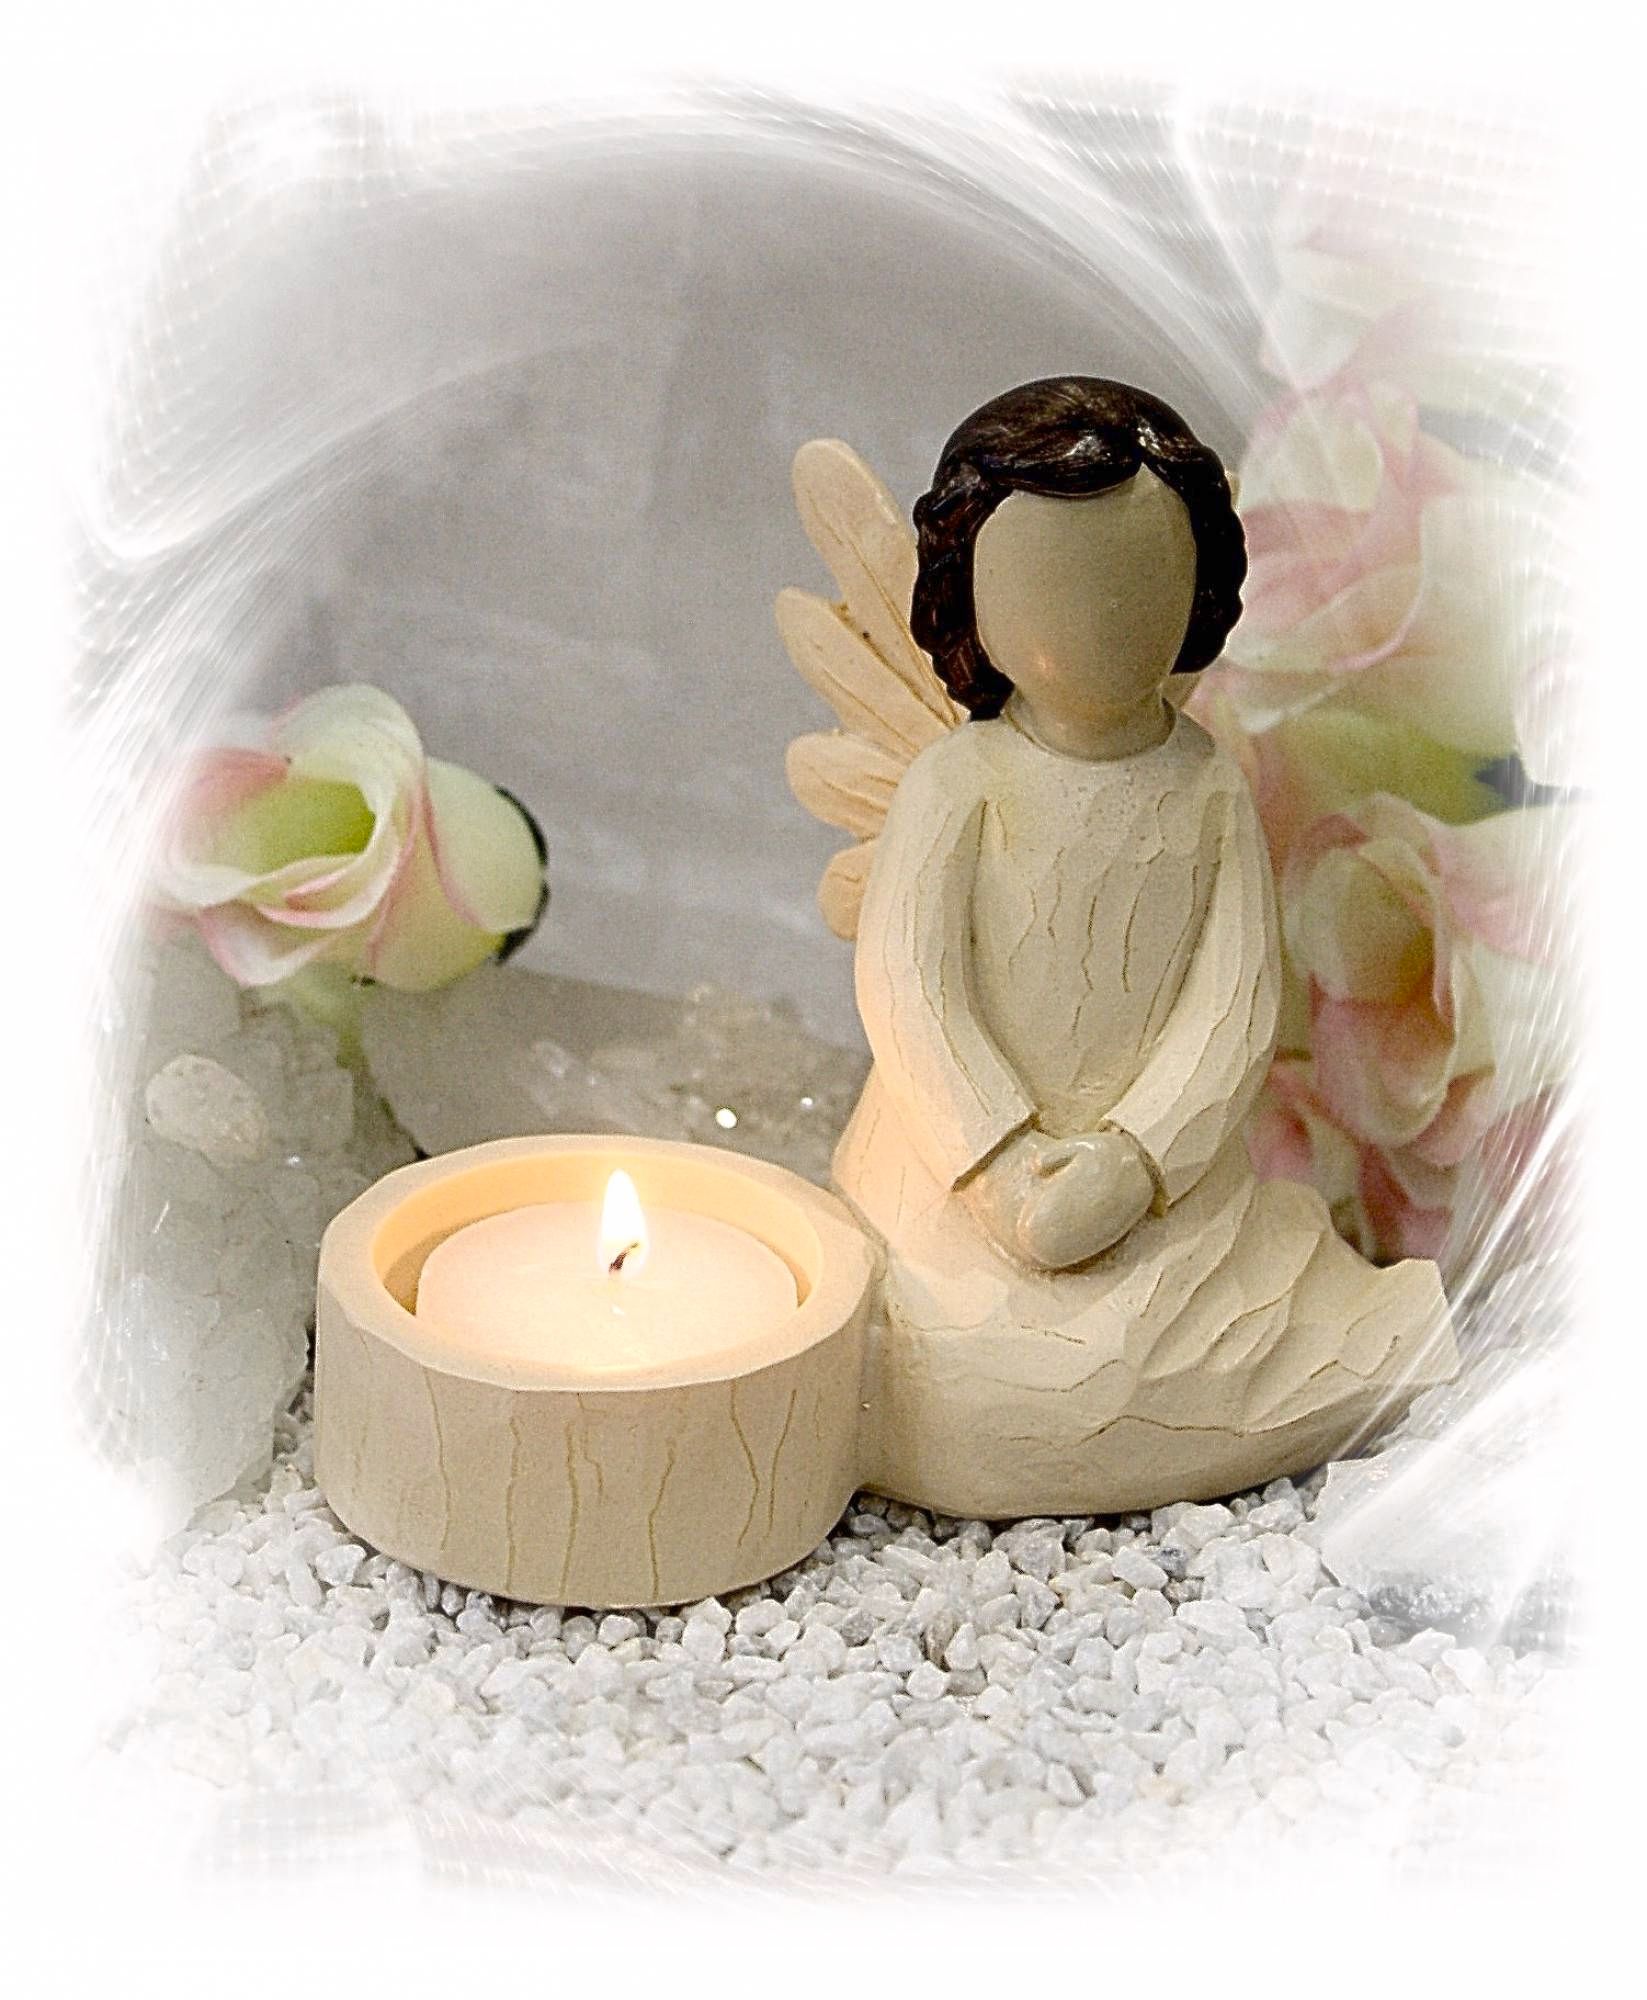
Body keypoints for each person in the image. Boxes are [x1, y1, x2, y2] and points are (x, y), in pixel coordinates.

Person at [833, 377, 1455, 1517]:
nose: (1095, 622)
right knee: (956, 1385)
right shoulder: (959, 781)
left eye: (1134, 584)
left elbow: (1234, 1001)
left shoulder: (1207, 786)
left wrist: (1136, 1161)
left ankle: (1353, 1344)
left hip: (1170, 1198)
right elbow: (907, 984)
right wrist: (999, 1163)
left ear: (1198, 591)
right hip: (954, 1184)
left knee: (1206, 1346)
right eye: (1048, 587)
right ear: (968, 596)